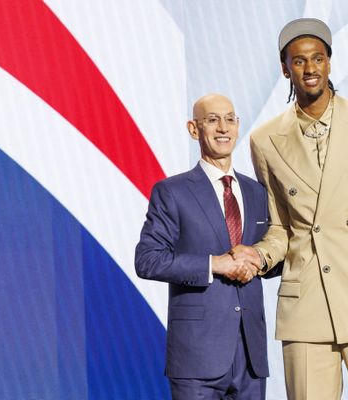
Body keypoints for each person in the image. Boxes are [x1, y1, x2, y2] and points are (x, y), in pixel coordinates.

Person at [232, 18, 348, 399]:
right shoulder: (265, 140)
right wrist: (258, 256)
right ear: (285, 68)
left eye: (317, 58)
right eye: (299, 61)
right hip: (306, 308)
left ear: (330, 63)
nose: (310, 68)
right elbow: (281, 227)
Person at [135, 93, 269, 399]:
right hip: (196, 357)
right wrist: (214, 264)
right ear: (194, 129)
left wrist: (259, 260)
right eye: (212, 120)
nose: (223, 128)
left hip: (251, 357)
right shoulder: (172, 191)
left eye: (230, 119)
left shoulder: (257, 192)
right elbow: (148, 260)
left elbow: (274, 257)